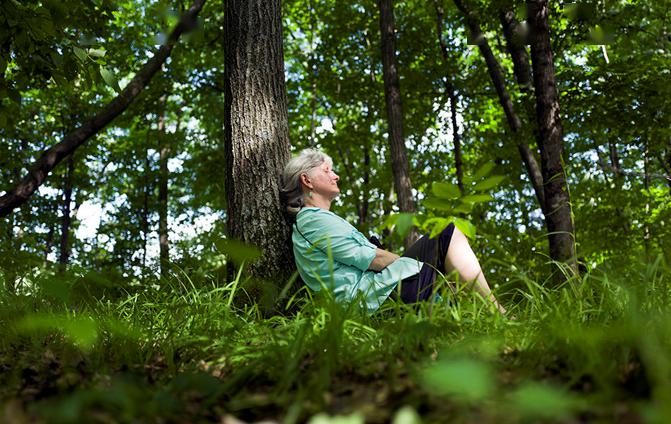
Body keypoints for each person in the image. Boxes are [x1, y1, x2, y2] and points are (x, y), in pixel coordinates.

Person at [280, 149, 507, 314]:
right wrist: (425, 270)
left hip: (378, 294)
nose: (336, 175)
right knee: (447, 233)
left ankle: (476, 311)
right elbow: (373, 259)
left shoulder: (319, 220)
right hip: (373, 300)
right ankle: (497, 312)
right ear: (306, 179)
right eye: (327, 170)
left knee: (445, 238)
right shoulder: (312, 220)